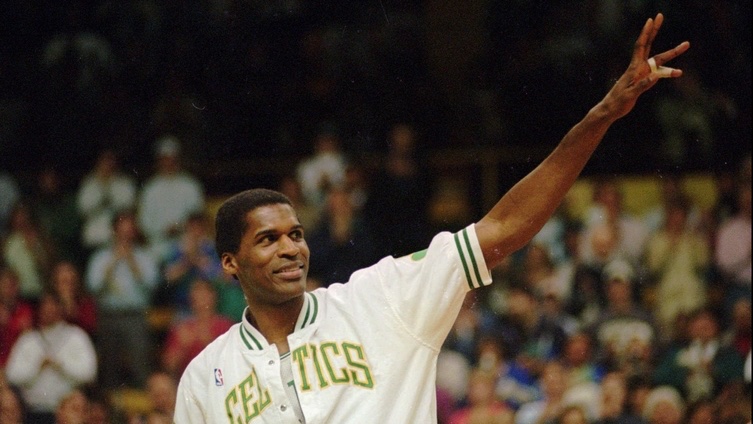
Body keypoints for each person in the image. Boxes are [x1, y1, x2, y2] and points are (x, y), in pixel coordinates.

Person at [174, 14, 690, 423]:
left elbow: (505, 228)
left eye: (296, 234)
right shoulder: (204, 379)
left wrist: (602, 114)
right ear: (230, 262)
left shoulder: (380, 298)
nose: (290, 248)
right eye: (268, 239)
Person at [85, 209, 159, 391]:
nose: (125, 236)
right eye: (121, 231)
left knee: (140, 363)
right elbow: (93, 287)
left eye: (129, 231)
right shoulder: (100, 257)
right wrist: (114, 261)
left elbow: (152, 285)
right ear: (114, 231)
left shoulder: (145, 256)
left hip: (135, 316)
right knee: (109, 367)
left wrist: (132, 261)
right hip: (108, 315)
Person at [4, 291, 97, 423]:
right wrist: (37, 367)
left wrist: (61, 365)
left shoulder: (76, 336)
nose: (49, 311)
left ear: (61, 309)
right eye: (45, 306)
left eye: (53, 306)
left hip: (67, 415)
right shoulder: (28, 339)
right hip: (33, 412)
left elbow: (89, 373)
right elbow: (12, 375)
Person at [137, 135, 205, 261]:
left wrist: (179, 227)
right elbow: (144, 223)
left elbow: (197, 218)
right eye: (164, 159)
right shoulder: (150, 188)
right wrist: (163, 230)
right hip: (157, 245)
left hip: (186, 243)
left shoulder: (191, 185)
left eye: (172, 159)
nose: (168, 163)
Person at [76, 148, 138, 255]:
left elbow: (129, 206)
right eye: (104, 161)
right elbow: (82, 209)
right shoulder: (88, 184)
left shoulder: (124, 183)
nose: (108, 165)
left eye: (111, 161)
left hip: (119, 238)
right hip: (95, 237)